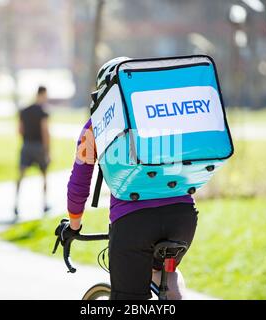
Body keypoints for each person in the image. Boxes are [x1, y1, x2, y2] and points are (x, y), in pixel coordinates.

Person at [59, 58, 198, 300]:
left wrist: (74, 226)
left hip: (134, 224)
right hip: (183, 217)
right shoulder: (162, 113)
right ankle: (175, 293)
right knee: (166, 275)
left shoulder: (95, 126)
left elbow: (79, 184)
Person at [14, 86, 51, 219]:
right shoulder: (43, 112)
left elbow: (19, 130)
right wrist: (47, 151)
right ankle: (45, 204)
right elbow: (45, 132)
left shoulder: (24, 111)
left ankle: (16, 204)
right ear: (42, 94)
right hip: (39, 147)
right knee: (44, 176)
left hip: (26, 145)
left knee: (21, 175)